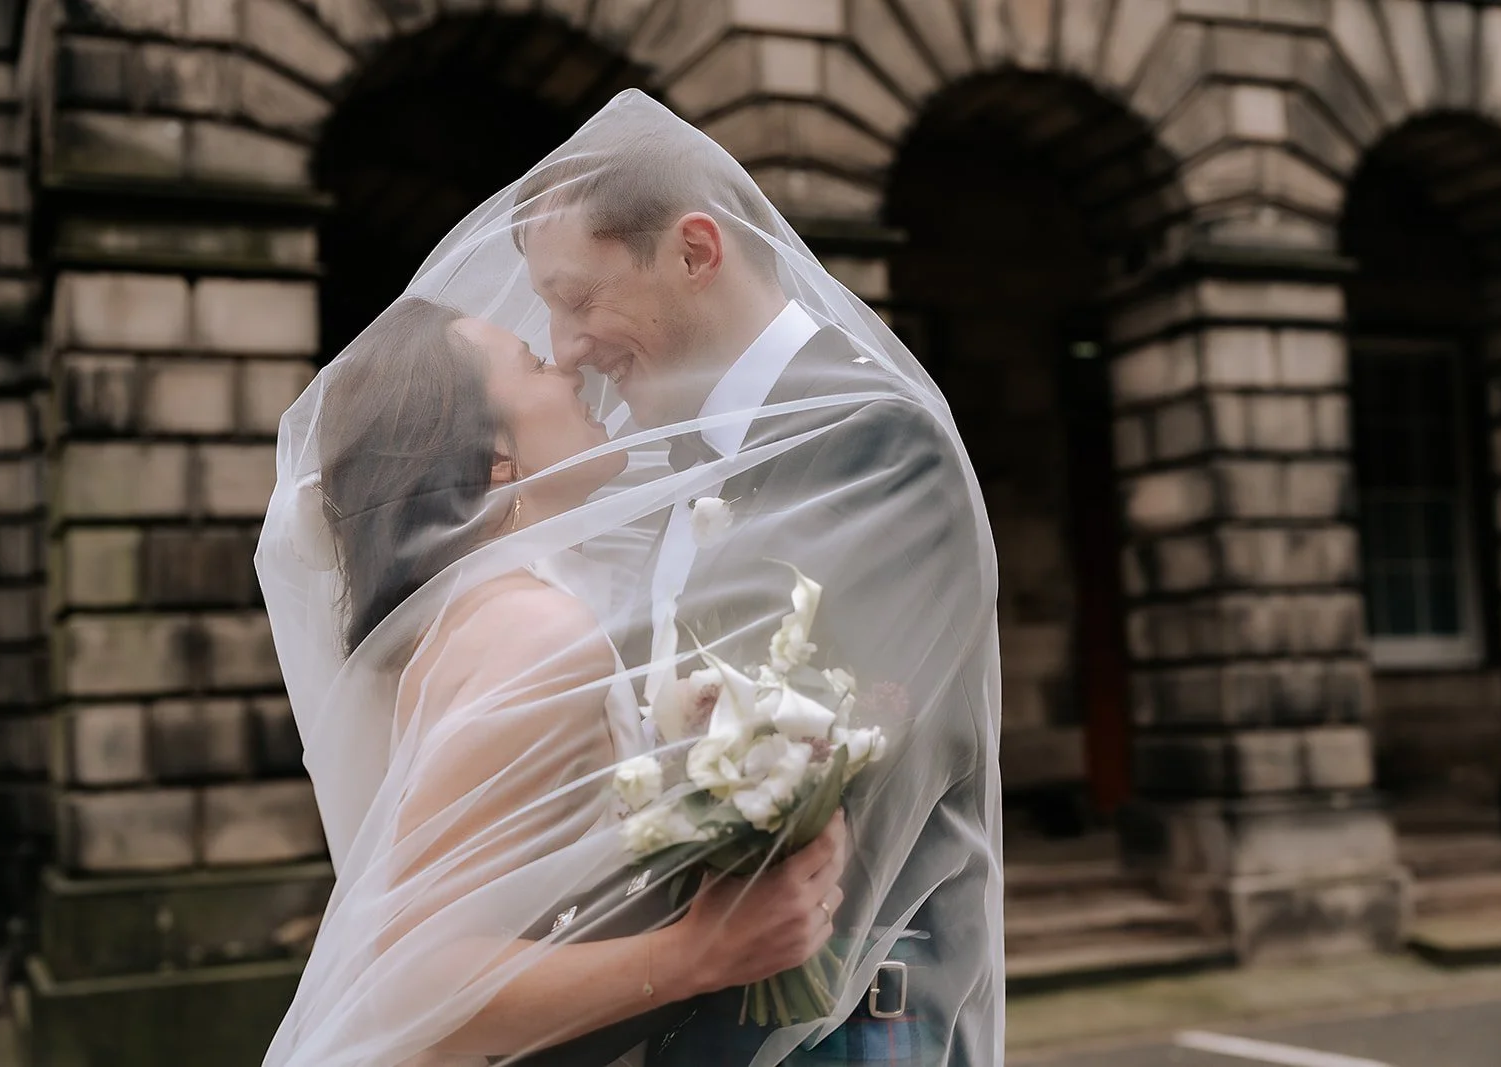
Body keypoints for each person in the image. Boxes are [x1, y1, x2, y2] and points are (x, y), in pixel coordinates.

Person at [512, 94, 1005, 1065]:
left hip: (842, 1027)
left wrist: (520, 1007)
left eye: (577, 299)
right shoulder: (682, 461)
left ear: (696, 251)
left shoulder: (875, 440)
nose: (567, 349)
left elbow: (821, 812)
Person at [255, 296, 848, 1066]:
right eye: (533, 364)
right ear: (498, 457)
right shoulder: (535, 635)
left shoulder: (479, 619)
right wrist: (700, 953)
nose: (567, 366)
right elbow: (410, 984)